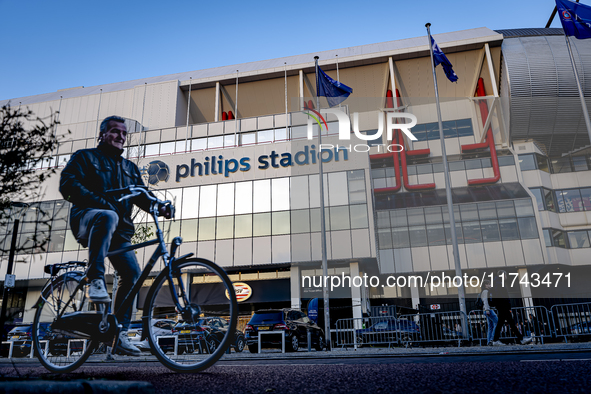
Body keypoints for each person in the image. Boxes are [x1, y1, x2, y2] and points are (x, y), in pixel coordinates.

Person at [60, 115, 171, 356]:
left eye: (123, 133)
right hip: (87, 219)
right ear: (102, 135)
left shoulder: (129, 168)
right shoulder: (85, 157)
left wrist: (160, 206)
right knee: (107, 215)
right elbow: (67, 185)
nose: (120, 136)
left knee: (132, 274)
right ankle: (95, 280)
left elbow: (143, 196)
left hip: (119, 232)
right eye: (114, 131)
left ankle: (117, 333)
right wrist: (100, 202)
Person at [490, 270, 532, 346]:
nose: (506, 277)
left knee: (502, 324)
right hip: (503, 306)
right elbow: (503, 296)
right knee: (511, 323)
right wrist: (507, 306)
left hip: (501, 306)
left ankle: (495, 340)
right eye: (505, 275)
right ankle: (521, 339)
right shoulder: (499, 284)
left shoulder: (496, 283)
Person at [480, 279, 498, 346]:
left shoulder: (486, 291)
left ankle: (489, 342)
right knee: (497, 323)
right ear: (485, 285)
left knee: (491, 326)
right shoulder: (485, 291)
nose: (489, 285)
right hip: (488, 310)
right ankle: (492, 339)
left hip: (487, 310)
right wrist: (487, 310)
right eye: (488, 284)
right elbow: (485, 301)